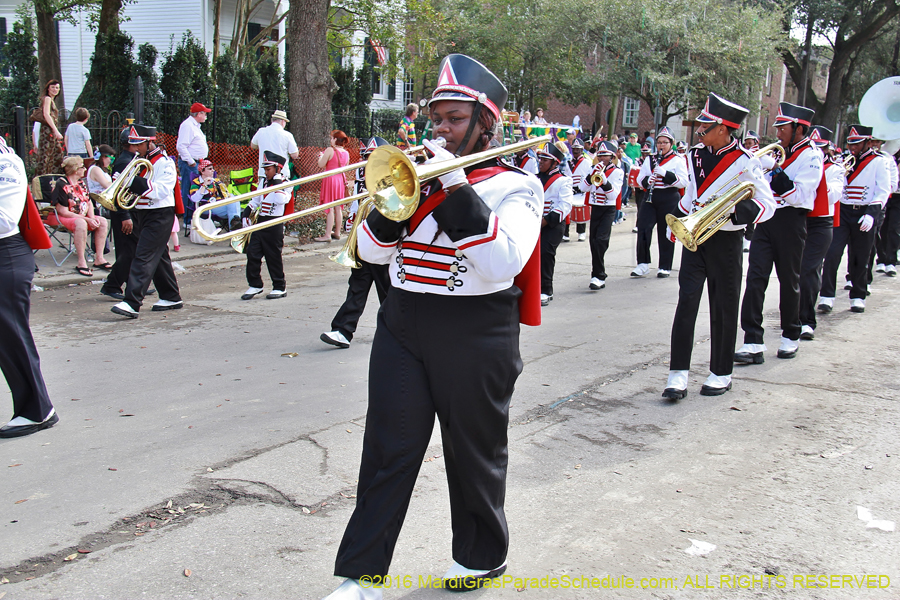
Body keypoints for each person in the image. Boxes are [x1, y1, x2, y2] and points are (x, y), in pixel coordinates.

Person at [325, 53, 542, 600]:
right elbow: (371, 251)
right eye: (436, 118)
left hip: (476, 328)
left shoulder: (516, 186)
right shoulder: (412, 178)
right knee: (387, 449)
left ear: (485, 124)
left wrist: (453, 185)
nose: (440, 129)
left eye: (454, 120)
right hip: (403, 322)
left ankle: (480, 556)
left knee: (474, 450)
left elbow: (501, 264)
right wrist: (398, 198)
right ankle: (362, 575)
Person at [662, 92, 775, 400]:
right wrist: (681, 221)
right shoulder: (694, 155)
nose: (700, 131)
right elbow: (691, 195)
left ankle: (721, 372)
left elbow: (768, 204)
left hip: (726, 239)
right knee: (686, 302)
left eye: (707, 127)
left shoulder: (746, 160)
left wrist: (738, 212)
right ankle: (678, 374)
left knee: (723, 307)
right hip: (696, 239)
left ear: (724, 129)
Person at [734, 102, 822, 365]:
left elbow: (799, 195)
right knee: (755, 278)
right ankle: (752, 340)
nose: (778, 133)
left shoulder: (812, 156)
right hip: (766, 218)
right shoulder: (778, 153)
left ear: (799, 128)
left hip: (791, 221)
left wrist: (775, 169)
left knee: (789, 280)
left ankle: (790, 334)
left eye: (783, 127)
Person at [0, 138, 58, 438]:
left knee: (11, 337)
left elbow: (5, 219)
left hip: (5, 257)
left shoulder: (5, 162)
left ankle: (36, 410)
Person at [321, 137, 391, 349]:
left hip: (383, 243)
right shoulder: (363, 180)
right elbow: (357, 206)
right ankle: (343, 330)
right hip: (363, 241)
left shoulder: (392, 179)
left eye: (372, 157)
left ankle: (396, 331)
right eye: (366, 158)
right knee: (357, 287)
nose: (367, 162)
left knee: (388, 292)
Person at [111, 126, 184, 318]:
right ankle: (171, 295)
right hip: (142, 213)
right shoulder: (140, 161)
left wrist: (130, 181)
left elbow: (160, 191)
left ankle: (132, 302)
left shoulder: (165, 163)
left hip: (160, 214)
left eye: (139, 144)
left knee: (142, 256)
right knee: (159, 257)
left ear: (149, 142)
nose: (136, 149)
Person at [819, 125, 892, 313]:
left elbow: (883, 190)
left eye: (857, 144)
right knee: (833, 252)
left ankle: (858, 295)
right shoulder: (843, 160)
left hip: (865, 211)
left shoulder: (878, 162)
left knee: (860, 255)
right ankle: (827, 295)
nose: (853, 148)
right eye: (850, 144)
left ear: (867, 143)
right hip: (843, 211)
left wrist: (872, 214)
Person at [798, 126, 842, 340]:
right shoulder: (801, 161)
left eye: (822, 148)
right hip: (798, 220)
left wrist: (814, 177)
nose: (818, 152)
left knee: (809, 269)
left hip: (821, 223)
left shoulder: (836, 169)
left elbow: (833, 195)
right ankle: (793, 315)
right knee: (794, 271)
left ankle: (807, 320)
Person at [632, 126, 688, 279]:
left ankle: (665, 265)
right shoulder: (650, 159)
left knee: (666, 232)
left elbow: (683, 181)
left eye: (665, 142)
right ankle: (642, 264)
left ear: (671, 143)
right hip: (650, 198)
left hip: (669, 197)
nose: (661, 146)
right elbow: (639, 179)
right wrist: (647, 181)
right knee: (643, 228)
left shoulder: (678, 160)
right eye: (659, 143)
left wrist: (665, 174)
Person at [100, 129, 143, 301]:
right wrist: (125, 215)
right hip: (123, 212)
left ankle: (132, 284)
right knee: (128, 251)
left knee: (134, 250)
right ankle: (112, 285)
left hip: (130, 211)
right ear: (132, 144)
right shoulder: (123, 162)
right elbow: (119, 190)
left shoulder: (132, 159)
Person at [241, 151, 290, 301]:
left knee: (273, 256)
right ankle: (255, 284)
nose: (266, 172)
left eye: (269, 169)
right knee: (252, 252)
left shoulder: (286, 183)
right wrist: (246, 212)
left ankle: (279, 286)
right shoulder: (263, 181)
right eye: (265, 169)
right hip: (261, 220)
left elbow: (282, 200)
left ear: (278, 169)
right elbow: (257, 198)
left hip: (274, 223)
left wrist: (276, 183)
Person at [50, 156, 110, 276]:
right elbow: (63, 211)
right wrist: (87, 219)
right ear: (75, 169)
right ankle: (81, 262)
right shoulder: (61, 184)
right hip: (64, 216)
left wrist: (92, 218)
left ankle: (99, 258)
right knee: (81, 223)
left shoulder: (81, 183)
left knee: (102, 221)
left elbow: (88, 202)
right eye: (82, 166)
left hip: (81, 216)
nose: (84, 169)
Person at [537, 141, 573, 305]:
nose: (541, 162)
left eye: (545, 160)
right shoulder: (535, 178)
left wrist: (545, 221)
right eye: (540, 159)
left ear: (554, 162)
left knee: (546, 253)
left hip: (553, 224)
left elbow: (564, 206)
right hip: (535, 223)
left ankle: (546, 290)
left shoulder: (563, 181)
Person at [585, 140, 623, 290]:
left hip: (608, 209)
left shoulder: (618, 172)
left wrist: (603, 178)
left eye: (605, 156)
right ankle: (598, 274)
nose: (601, 159)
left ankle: (599, 275)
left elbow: (613, 195)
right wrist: (592, 174)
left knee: (601, 241)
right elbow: (583, 187)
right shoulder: (592, 168)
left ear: (612, 157)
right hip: (596, 208)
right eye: (599, 155)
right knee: (593, 242)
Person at [176, 102, 211, 234]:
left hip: (197, 162)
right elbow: (181, 146)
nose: (206, 116)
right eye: (204, 113)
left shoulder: (194, 126)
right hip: (190, 163)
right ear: (198, 114)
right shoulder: (188, 126)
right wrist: (190, 161)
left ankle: (193, 217)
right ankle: (187, 218)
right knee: (189, 189)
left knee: (197, 188)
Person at [314, 130, 350, 242]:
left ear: (335, 139)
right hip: (340, 179)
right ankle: (337, 232)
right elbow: (346, 166)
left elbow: (321, 164)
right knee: (338, 207)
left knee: (329, 206)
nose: (330, 140)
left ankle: (328, 234)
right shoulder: (346, 153)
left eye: (332, 138)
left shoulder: (330, 150)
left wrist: (321, 156)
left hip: (330, 179)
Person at [190, 159, 241, 232]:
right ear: (202, 171)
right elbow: (194, 199)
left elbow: (226, 195)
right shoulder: (196, 182)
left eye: (213, 168)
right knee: (233, 205)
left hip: (218, 205)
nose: (213, 170)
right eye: (210, 169)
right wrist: (204, 186)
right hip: (205, 208)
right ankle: (235, 231)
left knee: (234, 199)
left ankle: (235, 225)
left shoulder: (216, 181)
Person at [250, 109, 299, 183]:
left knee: (265, 194)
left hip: (264, 173)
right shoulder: (287, 135)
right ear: (283, 121)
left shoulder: (261, 131)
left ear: (272, 120)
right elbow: (294, 155)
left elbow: (253, 145)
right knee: (280, 194)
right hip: (281, 174)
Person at [36, 80, 65, 176]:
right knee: (45, 158)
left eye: (57, 88)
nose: (55, 89)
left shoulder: (52, 100)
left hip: (51, 132)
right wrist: (56, 130)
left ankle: (51, 179)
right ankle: (40, 180)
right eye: (52, 87)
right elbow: (46, 114)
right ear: (48, 88)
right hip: (47, 132)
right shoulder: (47, 99)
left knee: (55, 157)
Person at [566, 139, 593, 242]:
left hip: (581, 191)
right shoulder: (569, 162)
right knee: (567, 212)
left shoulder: (587, 162)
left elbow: (589, 177)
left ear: (582, 150)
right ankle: (566, 233)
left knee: (580, 211)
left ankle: (581, 232)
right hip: (570, 190)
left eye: (578, 149)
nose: (576, 151)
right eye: (574, 149)